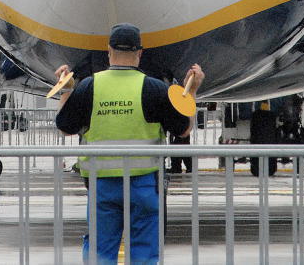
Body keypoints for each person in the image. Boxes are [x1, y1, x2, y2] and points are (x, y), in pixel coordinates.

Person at [54, 23, 204, 265]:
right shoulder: (155, 88)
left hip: (102, 184)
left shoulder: (90, 86)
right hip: (143, 182)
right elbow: (183, 129)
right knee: (144, 251)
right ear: (140, 53)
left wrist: (66, 91)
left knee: (99, 252)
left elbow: (64, 126)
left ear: (109, 51)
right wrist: (192, 91)